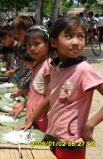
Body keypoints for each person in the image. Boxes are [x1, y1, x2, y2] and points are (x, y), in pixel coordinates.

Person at [47, 16, 103, 159]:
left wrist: (90, 124)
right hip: (53, 134)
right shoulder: (54, 66)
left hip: (71, 140)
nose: (76, 42)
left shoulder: (84, 70)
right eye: (69, 36)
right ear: (54, 42)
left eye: (80, 37)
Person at [10, 25, 50, 132]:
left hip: (42, 117)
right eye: (29, 45)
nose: (32, 48)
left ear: (47, 44)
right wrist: (23, 105)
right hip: (33, 115)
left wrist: (31, 118)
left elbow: (49, 97)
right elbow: (36, 90)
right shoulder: (37, 64)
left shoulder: (48, 66)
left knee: (41, 142)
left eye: (37, 44)